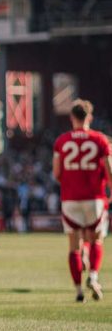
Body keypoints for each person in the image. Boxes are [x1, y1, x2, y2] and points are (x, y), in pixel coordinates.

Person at [52, 99, 112, 302]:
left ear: (72, 118)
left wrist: (70, 182)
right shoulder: (101, 140)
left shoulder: (61, 141)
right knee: (96, 239)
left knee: (74, 246)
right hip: (94, 198)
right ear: (90, 117)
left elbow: (57, 173)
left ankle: (78, 291)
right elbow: (109, 169)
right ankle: (93, 276)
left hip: (70, 199)